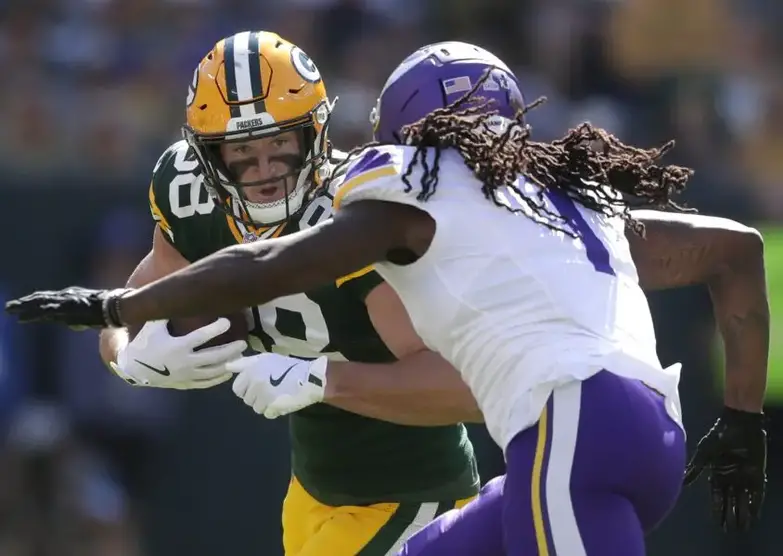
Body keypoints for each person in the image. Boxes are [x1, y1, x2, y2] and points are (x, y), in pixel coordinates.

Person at [6, 41, 769, 554]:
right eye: (243, 150)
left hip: (571, 427)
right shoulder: (572, 196)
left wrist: (116, 311)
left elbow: (269, 261)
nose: (269, 167)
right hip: (640, 433)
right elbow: (736, 249)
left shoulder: (407, 190)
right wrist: (740, 421)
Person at [93, 31, 483, 556]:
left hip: (414, 495)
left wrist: (324, 378)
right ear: (208, 156)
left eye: (281, 144)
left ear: (316, 134)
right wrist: (128, 357)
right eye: (242, 152)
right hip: (314, 491)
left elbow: (467, 387)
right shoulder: (189, 196)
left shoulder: (357, 217)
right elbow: (125, 306)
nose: (264, 172)